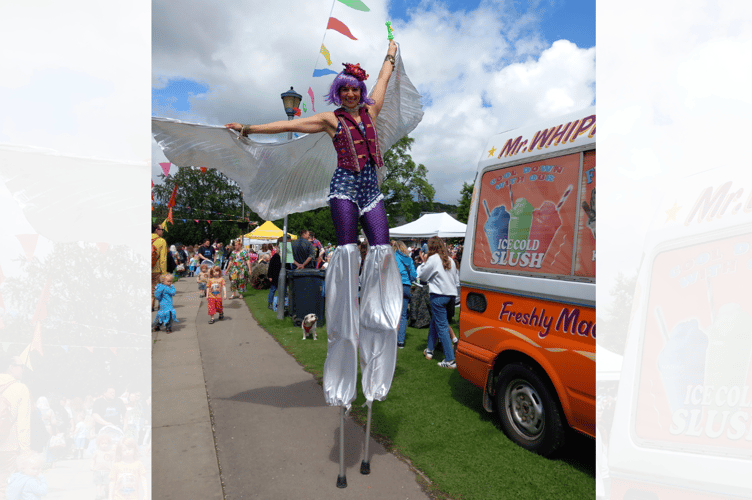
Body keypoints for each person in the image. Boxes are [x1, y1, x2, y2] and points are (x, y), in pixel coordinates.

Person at [417, 236, 460, 368]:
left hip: (438, 296)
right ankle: (430, 351)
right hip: (451, 296)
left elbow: (422, 276)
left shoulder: (433, 259)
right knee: (436, 322)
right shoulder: (450, 260)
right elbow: (456, 280)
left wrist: (424, 262)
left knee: (441, 327)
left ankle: (450, 359)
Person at [0, 356, 31, 500]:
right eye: (21, 366)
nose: (23, 369)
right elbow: (23, 424)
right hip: (8, 446)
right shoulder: (20, 388)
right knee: (6, 485)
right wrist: (25, 451)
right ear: (11, 367)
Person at [391, 240, 416, 349]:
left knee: (392, 313)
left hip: (395, 286)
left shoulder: (393, 257)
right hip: (406, 286)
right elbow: (414, 275)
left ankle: (391, 339)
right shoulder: (409, 259)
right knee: (403, 315)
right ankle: (400, 341)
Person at [91, 434, 114, 500]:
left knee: (105, 483)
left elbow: (112, 461)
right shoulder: (97, 452)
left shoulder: (110, 452)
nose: (104, 445)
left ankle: (104, 492)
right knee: (98, 483)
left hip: (107, 471)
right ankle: (99, 494)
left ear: (109, 444)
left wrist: (112, 468)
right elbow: (93, 459)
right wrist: (92, 466)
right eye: (102, 443)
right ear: (99, 444)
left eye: (106, 443)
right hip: (97, 470)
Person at [151, 224, 167, 311]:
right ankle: (159, 306)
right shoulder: (161, 241)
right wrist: (164, 274)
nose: (162, 231)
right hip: (157, 270)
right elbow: (163, 259)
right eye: (161, 229)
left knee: (150, 291)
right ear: (156, 230)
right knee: (159, 290)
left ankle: (150, 305)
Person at [267, 238, 282, 310]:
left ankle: (281, 303)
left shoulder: (284, 257)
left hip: (280, 275)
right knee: (273, 289)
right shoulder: (276, 257)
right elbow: (271, 266)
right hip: (275, 276)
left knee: (281, 290)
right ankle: (270, 303)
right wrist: (270, 276)